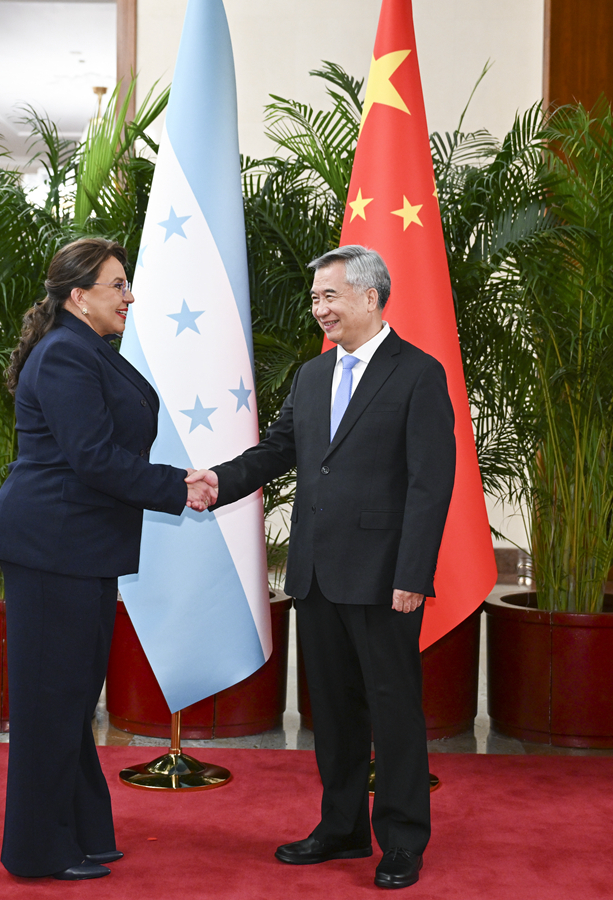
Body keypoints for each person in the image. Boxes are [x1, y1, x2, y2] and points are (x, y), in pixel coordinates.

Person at [188, 245, 455, 890]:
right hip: (315, 573)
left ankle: (402, 841)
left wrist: (413, 574)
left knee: (393, 711)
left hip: (384, 577)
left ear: (370, 296)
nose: (319, 310)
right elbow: (278, 449)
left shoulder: (419, 373)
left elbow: (430, 484)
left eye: (329, 296)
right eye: (315, 299)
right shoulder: (312, 376)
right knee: (332, 712)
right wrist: (219, 481)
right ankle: (341, 828)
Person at [0, 237, 216, 881]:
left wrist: (175, 483)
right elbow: (93, 458)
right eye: (118, 285)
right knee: (51, 702)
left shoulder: (85, 349)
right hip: (51, 549)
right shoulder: (65, 353)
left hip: (77, 548)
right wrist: (179, 486)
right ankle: (36, 850)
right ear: (79, 296)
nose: (129, 296)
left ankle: (81, 832)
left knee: (72, 697)